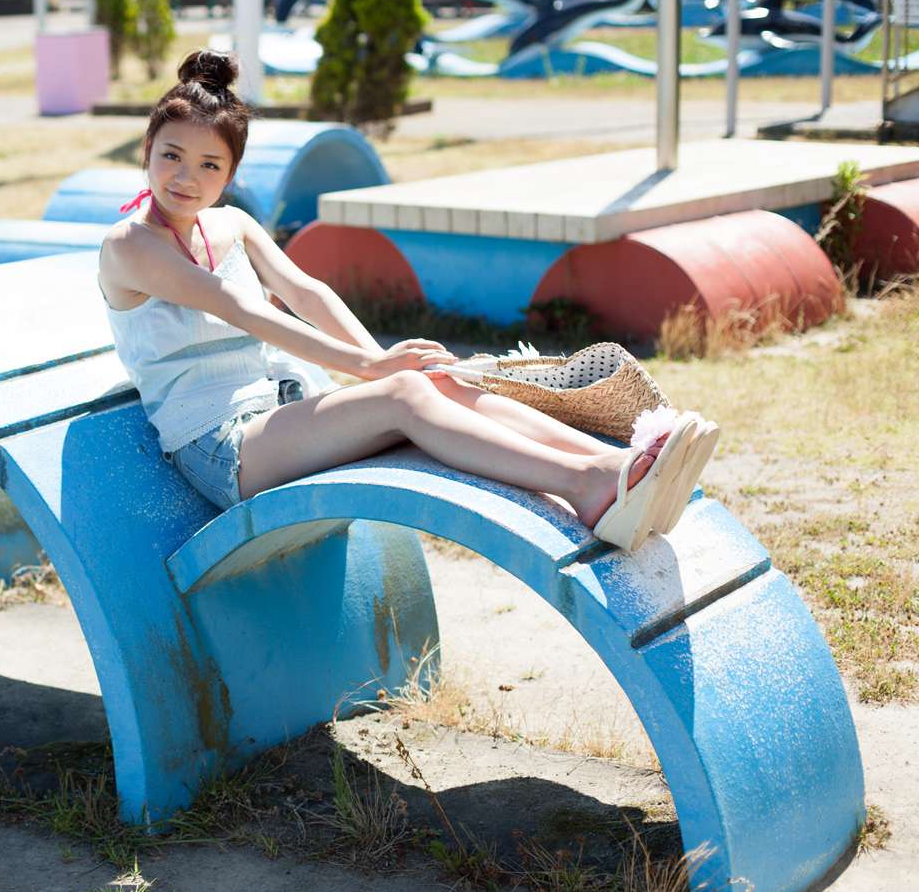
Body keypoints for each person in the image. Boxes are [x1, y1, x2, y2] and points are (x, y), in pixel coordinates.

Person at [96, 49, 717, 551]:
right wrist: (374, 369)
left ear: (229, 176)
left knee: (430, 383)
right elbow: (245, 310)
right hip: (218, 446)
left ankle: (623, 462)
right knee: (402, 393)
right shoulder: (132, 246)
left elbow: (306, 291)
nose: (186, 177)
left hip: (277, 413)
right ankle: (586, 486)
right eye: (171, 155)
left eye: (209, 165)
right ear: (147, 152)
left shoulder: (231, 225)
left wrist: (390, 362)